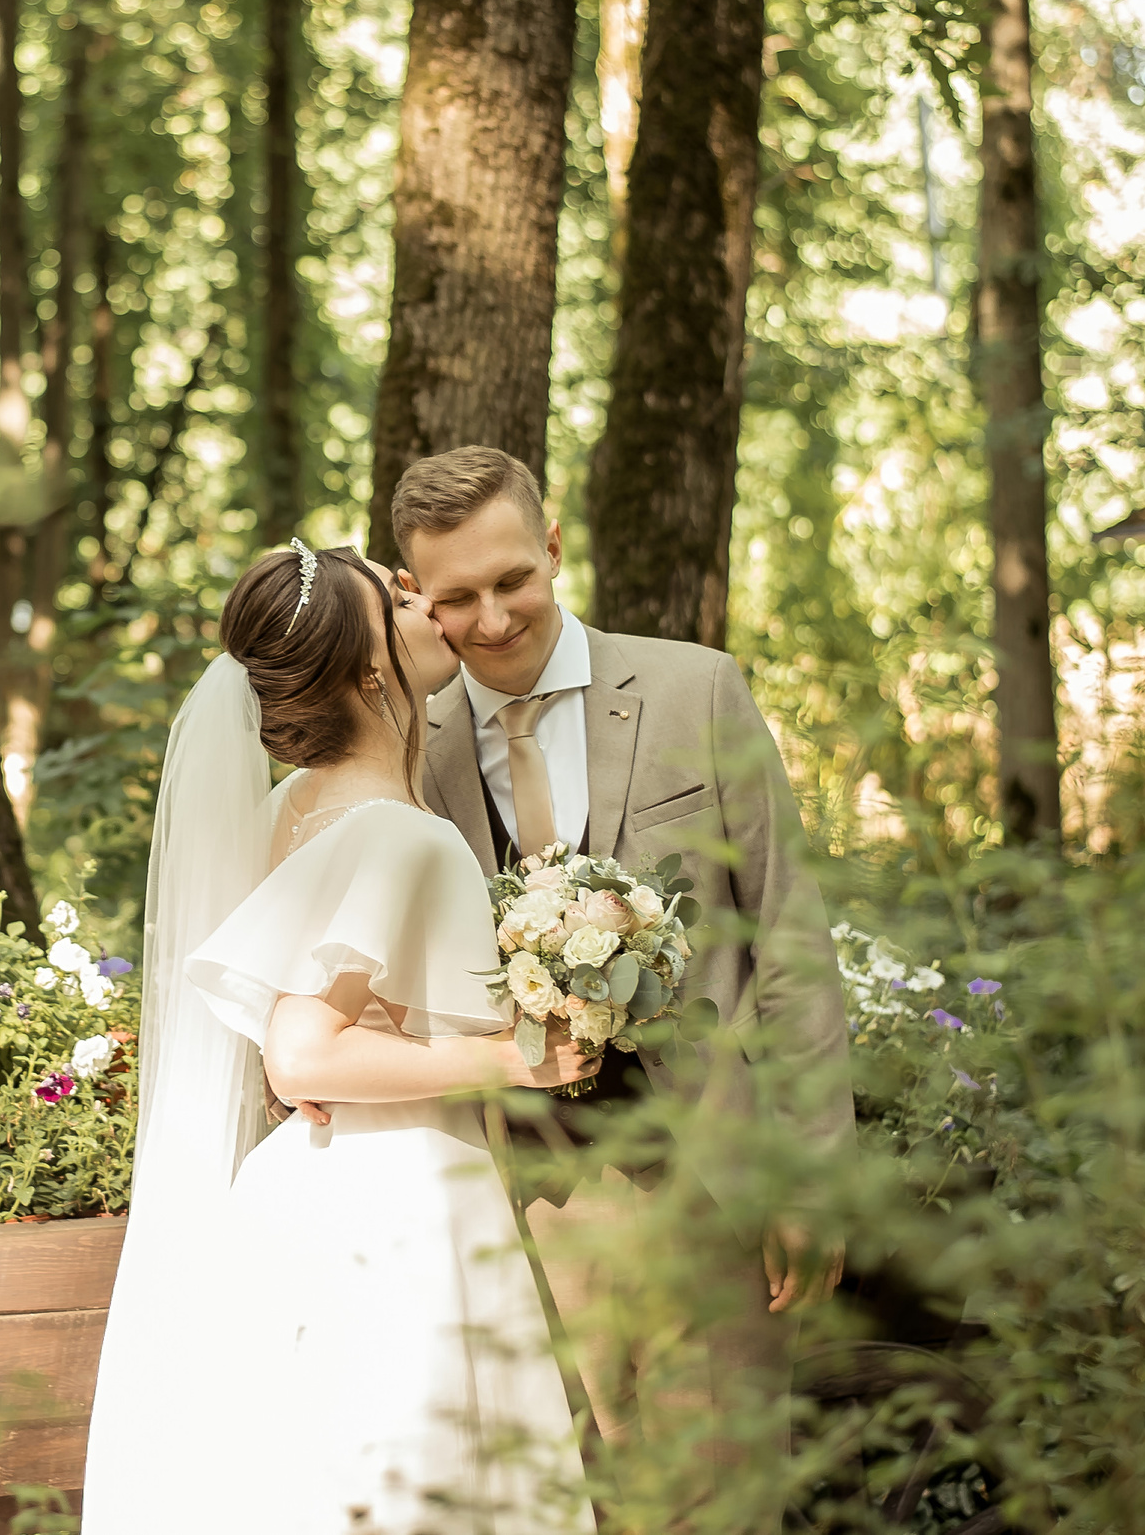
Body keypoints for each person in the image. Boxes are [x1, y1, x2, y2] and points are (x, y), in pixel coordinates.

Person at [81, 540, 600, 1535]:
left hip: (306, 1183)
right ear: (370, 667)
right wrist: (511, 1056)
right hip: (401, 1204)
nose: (426, 612)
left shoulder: (292, 808)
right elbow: (301, 1051)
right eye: (398, 604)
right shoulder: (402, 833)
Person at [389, 444, 854, 1515]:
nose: (495, 617)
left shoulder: (697, 687)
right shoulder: (410, 748)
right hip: (518, 1190)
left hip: (712, 1170)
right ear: (415, 595)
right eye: (457, 598)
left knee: (720, 1493)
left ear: (552, 547)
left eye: (514, 578)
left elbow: (785, 935)